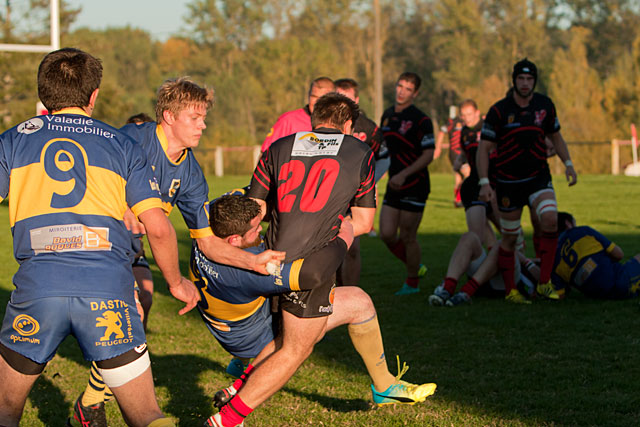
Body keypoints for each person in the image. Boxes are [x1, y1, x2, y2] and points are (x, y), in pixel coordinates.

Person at [206, 93, 433, 427]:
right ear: (348, 124)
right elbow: (365, 222)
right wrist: (339, 231)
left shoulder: (279, 147)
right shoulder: (359, 152)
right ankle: (228, 419)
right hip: (311, 265)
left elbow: (255, 211)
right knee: (296, 349)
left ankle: (384, 385)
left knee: (358, 303)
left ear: (314, 118)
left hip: (270, 260)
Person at [0, 48, 199, 427]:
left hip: (38, 291)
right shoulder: (122, 144)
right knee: (148, 416)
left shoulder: (11, 141)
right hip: (108, 291)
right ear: (93, 96)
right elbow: (157, 227)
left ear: (43, 95)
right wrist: (174, 283)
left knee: (5, 411)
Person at [69, 78, 284, 426]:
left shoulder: (190, 172)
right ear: (168, 116)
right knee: (129, 317)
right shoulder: (130, 140)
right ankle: (97, 406)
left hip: (127, 248)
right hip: (89, 239)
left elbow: (208, 242)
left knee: (144, 304)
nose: (202, 125)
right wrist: (118, 205)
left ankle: (90, 402)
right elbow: (82, 172)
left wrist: (253, 260)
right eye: (195, 117)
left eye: (203, 118)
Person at [191, 195, 435, 419]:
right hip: (253, 334)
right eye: (256, 229)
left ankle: (238, 386)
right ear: (233, 240)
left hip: (231, 324)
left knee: (325, 313)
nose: (261, 230)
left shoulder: (207, 232)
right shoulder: (249, 270)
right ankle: (230, 417)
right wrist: (344, 233)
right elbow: (312, 273)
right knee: (353, 307)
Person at [477, 58, 577, 304]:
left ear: (535, 81)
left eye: (529, 79)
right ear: (514, 81)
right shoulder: (499, 110)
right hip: (509, 183)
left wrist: (569, 164)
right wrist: (484, 182)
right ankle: (511, 290)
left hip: (538, 178)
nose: (525, 83)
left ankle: (544, 283)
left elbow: (556, 136)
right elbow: (483, 148)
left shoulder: (545, 105)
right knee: (510, 238)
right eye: (520, 79)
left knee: (550, 219)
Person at [378, 72, 435, 295]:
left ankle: (412, 283)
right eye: (400, 86)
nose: (402, 91)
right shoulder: (388, 115)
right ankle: (416, 265)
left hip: (415, 184)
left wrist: (405, 174)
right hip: (394, 183)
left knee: (408, 236)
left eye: (408, 89)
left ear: (416, 93)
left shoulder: (421, 120)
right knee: (387, 234)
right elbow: (383, 149)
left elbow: (428, 154)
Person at [333, 78, 388, 286]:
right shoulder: (326, 125)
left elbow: (384, 156)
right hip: (329, 194)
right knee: (327, 246)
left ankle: (351, 292)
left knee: (351, 246)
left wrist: (368, 182)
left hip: (353, 196)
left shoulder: (369, 128)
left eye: (347, 99)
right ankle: (331, 292)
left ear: (356, 100)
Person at [428, 232, 536, 307]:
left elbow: (541, 277)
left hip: (507, 283)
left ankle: (467, 291)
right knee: (469, 237)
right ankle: (447, 289)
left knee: (501, 246)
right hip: (488, 275)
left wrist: (526, 261)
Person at [551, 212, 640, 299]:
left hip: (597, 296)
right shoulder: (583, 231)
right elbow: (619, 254)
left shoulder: (553, 258)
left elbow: (560, 295)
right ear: (568, 223)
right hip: (620, 282)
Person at [453, 99, 499, 247]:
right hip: (475, 183)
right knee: (480, 230)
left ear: (477, 113)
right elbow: (466, 153)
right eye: (463, 115)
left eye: (470, 114)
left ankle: (520, 263)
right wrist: (460, 161)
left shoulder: (488, 127)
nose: (467, 118)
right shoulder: (464, 133)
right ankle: (492, 257)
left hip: (494, 182)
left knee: (507, 230)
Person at [260, 77, 335, 152]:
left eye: (322, 98)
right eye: (314, 97)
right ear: (308, 96)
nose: (317, 102)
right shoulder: (288, 120)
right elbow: (266, 153)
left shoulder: (339, 123)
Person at [436, 105, 467, 207]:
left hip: (461, 153)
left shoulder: (467, 121)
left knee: (459, 177)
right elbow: (442, 131)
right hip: (457, 153)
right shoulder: (453, 122)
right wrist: (438, 147)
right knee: (468, 175)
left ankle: (457, 201)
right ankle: (460, 199)